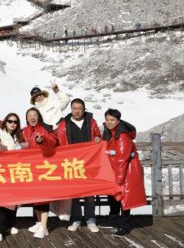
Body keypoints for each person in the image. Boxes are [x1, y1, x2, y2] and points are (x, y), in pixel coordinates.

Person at [55, 99, 102, 233]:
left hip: (89, 162)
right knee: (74, 193)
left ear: (84, 109)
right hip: (71, 163)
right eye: (74, 108)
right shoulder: (64, 124)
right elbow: (57, 141)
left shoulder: (90, 121)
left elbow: (98, 134)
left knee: (89, 193)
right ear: (71, 109)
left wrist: (98, 137)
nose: (77, 111)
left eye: (79, 108)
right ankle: (75, 219)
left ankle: (91, 219)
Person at [101, 109, 146, 237]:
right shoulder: (110, 132)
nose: (109, 122)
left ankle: (124, 225)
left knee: (124, 199)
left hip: (125, 172)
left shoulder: (122, 135)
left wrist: (119, 179)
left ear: (118, 121)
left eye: (112, 120)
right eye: (107, 120)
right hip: (115, 170)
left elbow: (122, 159)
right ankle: (113, 219)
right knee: (113, 197)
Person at [21, 107, 57, 239]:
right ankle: (38, 222)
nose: (32, 117)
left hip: (43, 168)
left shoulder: (45, 129)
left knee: (42, 197)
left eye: (34, 115)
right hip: (28, 168)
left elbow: (53, 143)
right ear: (26, 118)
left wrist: (43, 141)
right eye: (29, 115)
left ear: (39, 117)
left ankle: (44, 226)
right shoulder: (23, 131)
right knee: (34, 197)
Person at [0, 113, 25, 242]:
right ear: (5, 122)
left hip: (15, 171)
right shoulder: (0, 134)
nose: (12, 124)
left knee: (14, 201)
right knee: (3, 202)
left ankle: (9, 225)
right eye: (10, 121)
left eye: (15, 122)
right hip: (3, 172)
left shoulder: (17, 136)